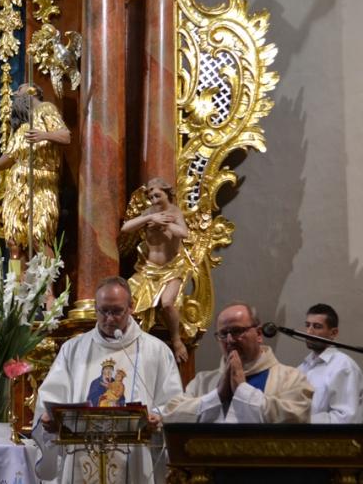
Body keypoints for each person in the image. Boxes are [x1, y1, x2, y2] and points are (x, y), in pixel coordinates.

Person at [33, 277, 182, 484]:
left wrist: (157, 417)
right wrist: (49, 420)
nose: (109, 319)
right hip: (80, 453)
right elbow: (50, 399)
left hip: (134, 460)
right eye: (103, 311)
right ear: (95, 308)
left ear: (131, 307)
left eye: (117, 311)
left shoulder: (156, 351)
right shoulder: (73, 350)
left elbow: (174, 404)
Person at [0, 84, 70, 261]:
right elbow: (8, 158)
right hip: (17, 185)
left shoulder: (46, 109)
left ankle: (48, 279)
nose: (15, 94)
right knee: (14, 241)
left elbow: (65, 136)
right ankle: (15, 279)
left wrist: (45, 135)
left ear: (33, 91)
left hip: (40, 183)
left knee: (38, 238)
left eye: (20, 89)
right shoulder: (22, 127)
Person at [163, 302, 313, 423]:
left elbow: (296, 417)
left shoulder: (291, 378)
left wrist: (242, 390)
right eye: (223, 334)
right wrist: (217, 396)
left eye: (237, 331)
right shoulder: (203, 381)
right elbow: (170, 415)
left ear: (259, 334)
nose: (229, 340)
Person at [121, 178, 192, 363]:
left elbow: (184, 233)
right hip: (148, 270)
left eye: (157, 195)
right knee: (127, 300)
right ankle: (130, 343)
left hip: (172, 270)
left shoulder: (175, 212)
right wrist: (150, 218)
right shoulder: (148, 213)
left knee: (167, 302)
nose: (153, 199)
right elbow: (125, 228)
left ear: (167, 193)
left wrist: (165, 224)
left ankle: (176, 341)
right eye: (151, 196)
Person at [297, 303, 363, 423]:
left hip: (327, 436)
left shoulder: (344, 366)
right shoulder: (302, 368)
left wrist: (302, 422)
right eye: (307, 325)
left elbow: (345, 418)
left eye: (317, 326)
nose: (309, 331)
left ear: (333, 333)